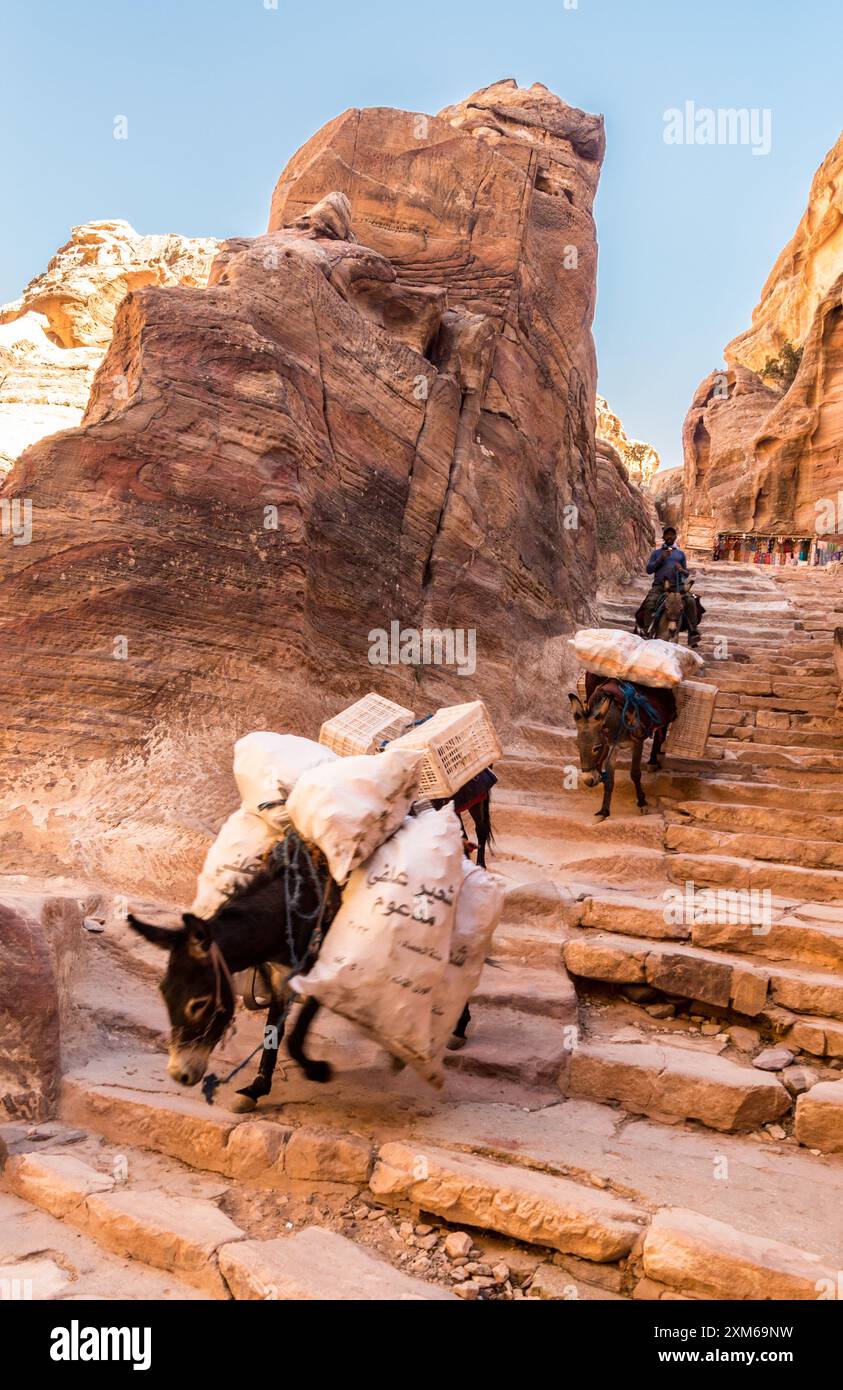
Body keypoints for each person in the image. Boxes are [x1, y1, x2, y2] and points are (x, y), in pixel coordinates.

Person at [636, 526, 700, 646]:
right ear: (664, 537)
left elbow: (686, 574)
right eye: (667, 534)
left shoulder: (680, 554)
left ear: (675, 537)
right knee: (650, 602)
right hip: (660, 586)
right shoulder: (656, 553)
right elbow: (649, 570)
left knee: (691, 601)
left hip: (677, 586)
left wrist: (681, 569)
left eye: (672, 534)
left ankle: (693, 632)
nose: (670, 536)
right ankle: (647, 631)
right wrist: (661, 559)